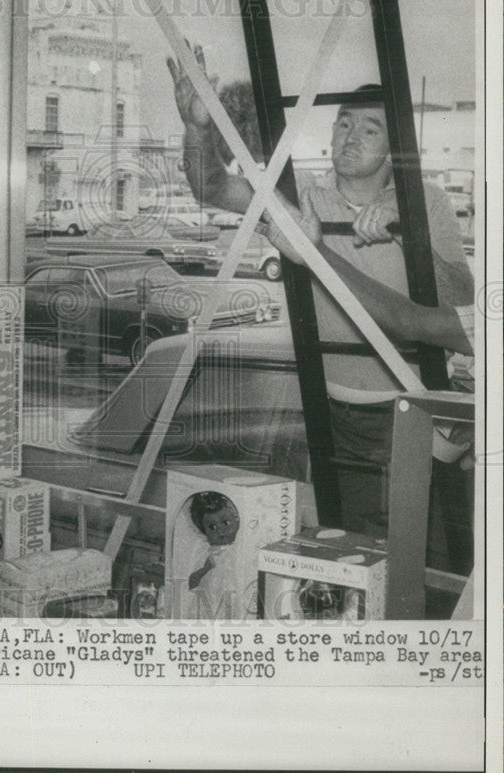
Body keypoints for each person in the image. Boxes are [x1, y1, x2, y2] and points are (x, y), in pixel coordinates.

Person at [167, 47, 474, 531]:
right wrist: (197, 128)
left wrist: (406, 233)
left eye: (370, 129)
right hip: (325, 405)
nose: (350, 138)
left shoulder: (425, 200)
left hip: (409, 410)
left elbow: (460, 298)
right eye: (344, 123)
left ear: (395, 149)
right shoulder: (301, 191)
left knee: (419, 548)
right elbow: (210, 187)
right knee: (346, 541)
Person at [186, 492, 240, 617]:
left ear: (236, 518)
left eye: (226, 523)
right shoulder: (207, 553)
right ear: (204, 531)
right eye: (212, 527)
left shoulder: (238, 550)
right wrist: (204, 569)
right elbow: (192, 582)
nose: (221, 531)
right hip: (211, 600)